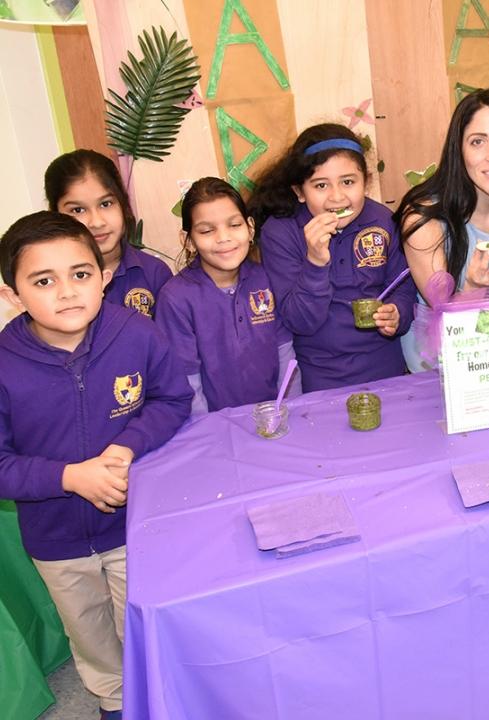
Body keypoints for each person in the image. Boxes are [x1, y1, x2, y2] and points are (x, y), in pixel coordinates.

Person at [0, 212, 191, 720]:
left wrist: (128, 445)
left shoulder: (136, 333)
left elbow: (172, 399)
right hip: (55, 537)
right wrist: (68, 477)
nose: (66, 292)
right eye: (44, 281)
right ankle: (112, 699)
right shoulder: (3, 363)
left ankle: (157, 695)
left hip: (134, 522)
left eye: (80, 274)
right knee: (86, 628)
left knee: (141, 620)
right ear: (13, 294)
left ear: (104, 276)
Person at [249, 124, 415, 392]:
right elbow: (300, 322)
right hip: (319, 377)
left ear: (367, 183)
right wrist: (315, 262)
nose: (337, 197)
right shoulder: (280, 232)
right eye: (321, 185)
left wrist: (398, 313)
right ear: (300, 192)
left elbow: (404, 288)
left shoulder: (383, 220)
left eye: (348, 182)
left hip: (387, 371)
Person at [395, 87, 489, 370]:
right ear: (459, 150)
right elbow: (450, 321)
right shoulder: (423, 219)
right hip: (437, 367)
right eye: (478, 142)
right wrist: (477, 287)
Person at [155, 178, 299, 414]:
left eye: (234, 225)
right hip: (216, 429)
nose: (224, 238)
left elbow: (285, 355)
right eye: (207, 230)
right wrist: (209, 433)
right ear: (188, 241)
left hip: (273, 419)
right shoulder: (176, 299)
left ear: (250, 228)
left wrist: (290, 411)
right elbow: (187, 383)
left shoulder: (265, 278)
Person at [45, 149, 172, 318]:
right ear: (55, 215)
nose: (97, 222)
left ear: (123, 204)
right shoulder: (47, 284)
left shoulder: (154, 273)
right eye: (78, 209)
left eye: (105, 204)